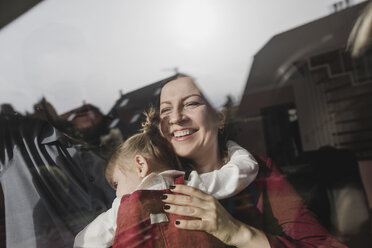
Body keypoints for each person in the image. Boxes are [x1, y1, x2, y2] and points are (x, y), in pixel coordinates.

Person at [156, 74, 347, 248]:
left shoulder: (260, 170)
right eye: (165, 109)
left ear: (219, 117)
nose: (175, 118)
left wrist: (238, 233)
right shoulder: (153, 180)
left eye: (191, 103)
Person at [73, 107, 259, 247]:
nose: (116, 193)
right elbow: (244, 170)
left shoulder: (120, 209)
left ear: (140, 165)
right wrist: (230, 147)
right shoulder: (192, 186)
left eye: (116, 184)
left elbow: (83, 241)